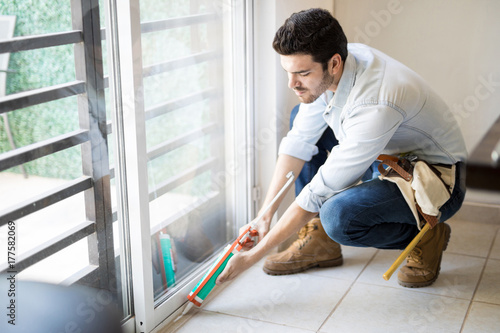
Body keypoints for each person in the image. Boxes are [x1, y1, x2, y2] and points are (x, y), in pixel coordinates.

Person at [216, 8, 467, 288]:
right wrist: (264, 215)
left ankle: (426, 233)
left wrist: (251, 257)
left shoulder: (375, 101)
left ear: (333, 64)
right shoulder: (340, 60)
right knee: (299, 118)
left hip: (436, 179)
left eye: (302, 73)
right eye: (288, 72)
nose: (292, 84)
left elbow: (318, 193)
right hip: (386, 155)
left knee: (337, 216)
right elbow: (299, 142)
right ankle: (318, 240)